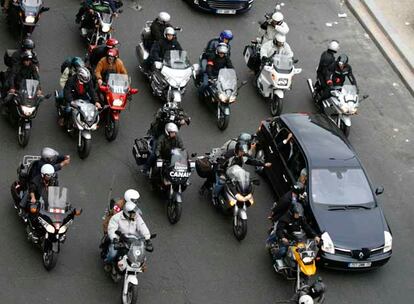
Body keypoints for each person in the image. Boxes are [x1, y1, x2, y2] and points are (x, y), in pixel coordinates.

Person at [105, 191, 152, 264]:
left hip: (132, 239)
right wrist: (114, 239)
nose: (137, 203)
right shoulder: (118, 212)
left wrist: (147, 238)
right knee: (112, 254)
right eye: (134, 200)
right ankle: (107, 263)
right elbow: (112, 227)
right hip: (119, 239)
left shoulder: (135, 214)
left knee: (141, 256)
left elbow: (142, 226)